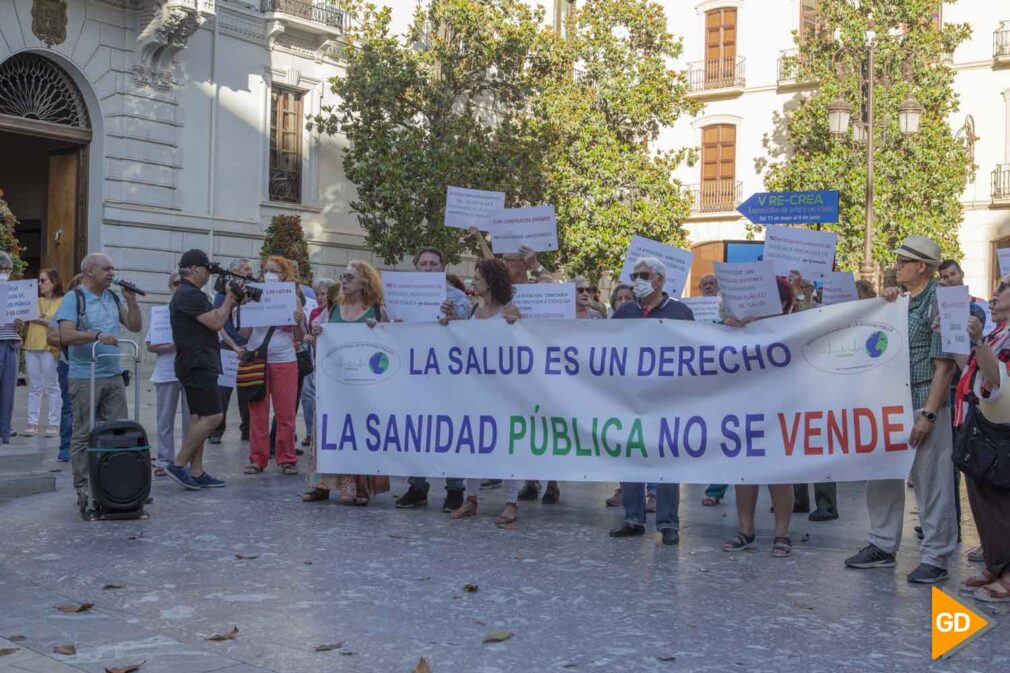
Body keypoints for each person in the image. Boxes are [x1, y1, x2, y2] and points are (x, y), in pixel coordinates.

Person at [845, 235, 958, 584]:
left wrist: (928, 414)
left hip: (923, 401)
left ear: (921, 266)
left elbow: (945, 366)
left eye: (904, 261)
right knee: (881, 473)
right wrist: (887, 306)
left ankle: (936, 554)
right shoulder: (901, 301)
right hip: (890, 403)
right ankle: (881, 542)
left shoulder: (945, 303)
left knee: (931, 479)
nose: (897, 266)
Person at [609, 257, 694, 546]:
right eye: (634, 275)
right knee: (631, 455)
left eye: (643, 275)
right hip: (630, 398)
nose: (638, 280)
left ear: (659, 279)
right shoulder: (625, 313)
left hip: (669, 399)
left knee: (667, 460)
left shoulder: (681, 312)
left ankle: (668, 523)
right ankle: (633, 518)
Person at [55, 253, 142, 516]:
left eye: (113, 268)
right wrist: (96, 336)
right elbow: (65, 334)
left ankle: (118, 483)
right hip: (84, 374)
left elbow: (135, 327)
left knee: (119, 431)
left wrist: (132, 301)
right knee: (83, 432)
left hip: (113, 374)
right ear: (89, 271)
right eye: (106, 268)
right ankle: (83, 487)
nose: (112, 273)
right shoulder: (75, 298)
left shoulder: (113, 298)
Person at [721, 277, 798, 557]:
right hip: (747, 407)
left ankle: (782, 534)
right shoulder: (741, 329)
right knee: (745, 471)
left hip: (780, 406)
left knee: (778, 472)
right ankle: (746, 531)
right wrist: (728, 331)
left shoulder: (793, 326)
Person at [394, 247, 470, 511]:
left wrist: (452, 317)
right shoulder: (404, 297)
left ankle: (455, 489)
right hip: (417, 373)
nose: (427, 268)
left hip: (449, 376)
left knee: (452, 432)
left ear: (443, 268)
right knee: (417, 431)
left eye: (433, 264)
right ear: (416, 268)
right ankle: (417, 487)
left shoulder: (457, 297)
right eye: (423, 264)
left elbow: (468, 329)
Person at [446, 258, 522, 524]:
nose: (473, 282)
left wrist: (516, 327)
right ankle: (471, 499)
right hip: (475, 389)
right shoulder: (473, 308)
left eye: (477, 277)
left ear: (490, 281)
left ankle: (511, 502)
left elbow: (524, 345)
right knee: (473, 443)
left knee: (506, 445)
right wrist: (451, 323)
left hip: (505, 390)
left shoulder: (511, 310)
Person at [312, 260, 390, 504]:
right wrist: (314, 333)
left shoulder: (377, 311)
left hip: (364, 386)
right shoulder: (333, 309)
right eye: (343, 276)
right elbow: (318, 335)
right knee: (331, 430)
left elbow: (392, 346)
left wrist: (379, 331)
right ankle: (323, 484)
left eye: (349, 277)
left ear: (365, 282)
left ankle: (360, 488)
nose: (343, 281)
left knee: (359, 432)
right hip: (334, 385)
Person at [952, 280, 1010, 602]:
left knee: (1001, 502)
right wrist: (955, 335)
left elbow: (996, 378)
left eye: (1004, 288)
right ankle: (994, 563)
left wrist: (978, 342)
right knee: (982, 497)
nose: (996, 293)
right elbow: (969, 371)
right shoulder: (998, 331)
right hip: (979, 427)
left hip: (1000, 430)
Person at [163, 250, 240, 489]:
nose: (209, 274)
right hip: (197, 362)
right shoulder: (187, 294)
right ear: (195, 269)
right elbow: (217, 322)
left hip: (198, 361)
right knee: (213, 416)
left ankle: (196, 472)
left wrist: (232, 301)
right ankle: (178, 464)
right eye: (206, 269)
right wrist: (229, 297)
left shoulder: (192, 294)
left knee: (199, 417)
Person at [241, 256, 304, 477]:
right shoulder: (252, 297)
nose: (270, 274)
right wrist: (243, 312)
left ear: (285, 275)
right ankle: (258, 458)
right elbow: (245, 334)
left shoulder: (292, 299)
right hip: (257, 358)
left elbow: (300, 336)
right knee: (257, 411)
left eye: (275, 271)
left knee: (285, 412)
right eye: (267, 270)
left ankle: (286, 458)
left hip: (284, 359)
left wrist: (299, 320)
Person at [146, 273, 190, 478]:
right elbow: (150, 344)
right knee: (165, 421)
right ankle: (164, 461)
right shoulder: (161, 313)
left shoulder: (194, 309)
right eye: (175, 283)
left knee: (192, 420)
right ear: (170, 286)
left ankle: (188, 459)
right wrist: (173, 345)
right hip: (166, 371)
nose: (179, 286)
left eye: (183, 283)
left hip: (190, 371)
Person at [209, 258, 252, 445]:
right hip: (228, 347)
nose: (249, 271)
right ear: (235, 272)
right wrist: (234, 344)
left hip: (248, 348)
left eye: (250, 268)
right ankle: (217, 431)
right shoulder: (223, 293)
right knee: (223, 391)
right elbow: (220, 323)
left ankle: (248, 431)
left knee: (248, 391)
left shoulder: (252, 292)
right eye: (245, 269)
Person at [23, 268, 63, 439]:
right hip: (31, 345)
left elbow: (59, 324)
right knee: (34, 386)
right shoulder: (35, 300)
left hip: (49, 347)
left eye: (43, 281)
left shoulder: (63, 301)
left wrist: (38, 319)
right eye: (39, 281)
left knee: (53, 386)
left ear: (54, 282)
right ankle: (32, 423)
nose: (40, 284)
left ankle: (54, 424)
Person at [299, 277, 333, 455]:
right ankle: (311, 432)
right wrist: (310, 338)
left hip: (331, 364)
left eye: (323, 294)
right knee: (308, 395)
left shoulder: (337, 311)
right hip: (314, 360)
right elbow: (311, 337)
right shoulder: (313, 313)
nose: (320, 297)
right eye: (318, 294)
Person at [0, 252, 24, 444]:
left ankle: (5, 433)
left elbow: (21, 318)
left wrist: (20, 323)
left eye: (8, 270)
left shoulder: (15, 291)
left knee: (8, 394)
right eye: (2, 269)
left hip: (11, 344)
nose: (5, 273)